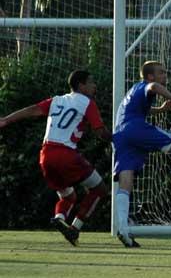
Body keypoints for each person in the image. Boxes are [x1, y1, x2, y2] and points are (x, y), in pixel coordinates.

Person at [0, 70, 111, 246]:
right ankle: (75, 228)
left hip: (45, 156)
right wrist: (115, 138)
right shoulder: (87, 103)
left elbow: (33, 110)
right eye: (91, 82)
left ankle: (60, 218)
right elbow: (100, 131)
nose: (94, 86)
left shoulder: (57, 100)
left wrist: (6, 120)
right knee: (100, 189)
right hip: (66, 154)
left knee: (68, 196)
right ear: (81, 85)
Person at [112, 61, 171, 248]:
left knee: (126, 181)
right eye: (161, 72)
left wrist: (160, 110)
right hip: (136, 128)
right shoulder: (147, 85)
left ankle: (123, 229)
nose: (164, 76)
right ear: (150, 76)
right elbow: (154, 87)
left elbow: (138, 109)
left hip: (120, 134)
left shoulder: (134, 90)